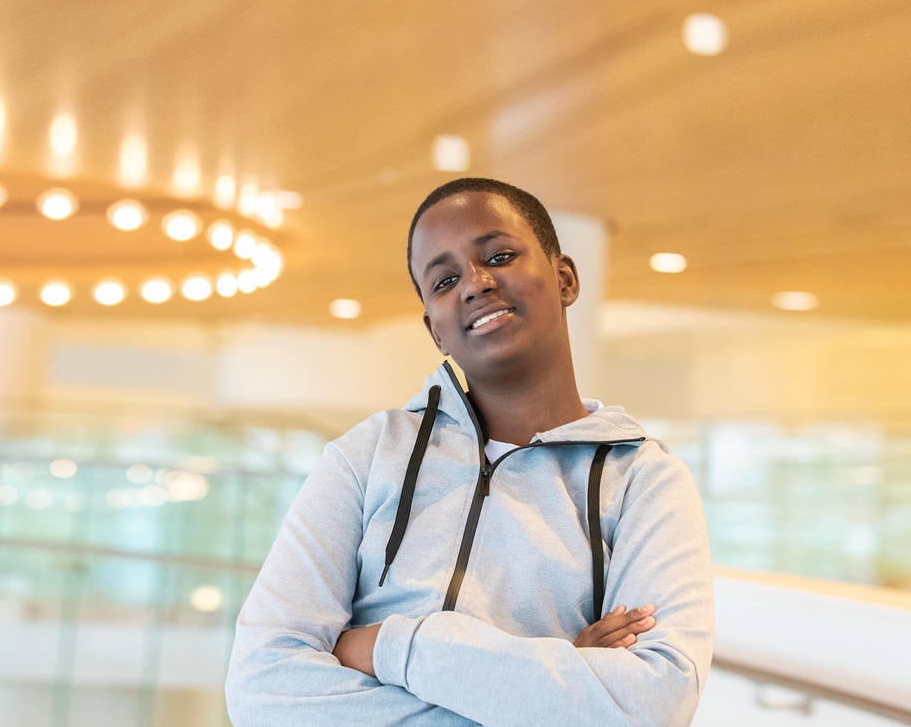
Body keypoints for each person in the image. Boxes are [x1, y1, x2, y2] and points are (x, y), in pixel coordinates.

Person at [225, 178, 714, 726]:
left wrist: (390, 646)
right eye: (445, 280)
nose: (475, 284)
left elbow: (656, 702)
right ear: (435, 329)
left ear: (566, 278)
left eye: (500, 256)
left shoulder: (645, 479)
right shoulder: (367, 455)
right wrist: (555, 687)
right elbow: (262, 689)